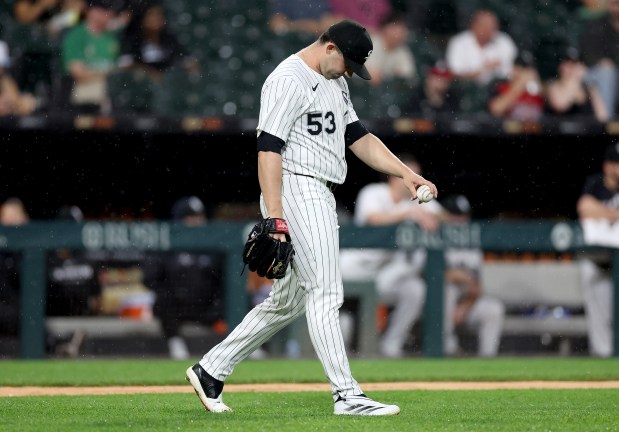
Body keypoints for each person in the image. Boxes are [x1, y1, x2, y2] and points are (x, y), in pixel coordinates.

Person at [185, 19, 437, 416]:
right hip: (296, 186)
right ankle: (347, 394)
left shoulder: (336, 81)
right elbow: (268, 149)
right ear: (330, 47)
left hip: (318, 189)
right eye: (349, 61)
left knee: (287, 302)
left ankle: (211, 369)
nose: (351, 71)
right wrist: (276, 217)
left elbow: (359, 138)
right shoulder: (287, 78)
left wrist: (405, 173)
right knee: (327, 291)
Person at [339, 153, 443, 358]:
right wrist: (409, 214)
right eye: (411, 175)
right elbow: (373, 219)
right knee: (342, 321)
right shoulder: (374, 192)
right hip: (355, 266)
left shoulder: (415, 201)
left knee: (415, 290)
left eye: (418, 175)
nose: (415, 180)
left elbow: (448, 216)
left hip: (385, 271)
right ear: (395, 176)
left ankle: (391, 345)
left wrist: (431, 213)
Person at [141, 196, 227, 360]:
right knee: (163, 300)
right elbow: (149, 279)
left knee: (234, 301)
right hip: (177, 306)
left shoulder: (212, 246)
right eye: (191, 218)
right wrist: (177, 290)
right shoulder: (166, 246)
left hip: (207, 306)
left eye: (199, 218)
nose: (196, 222)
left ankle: (246, 346)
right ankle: (175, 342)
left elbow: (224, 281)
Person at [440, 194, 505, 357]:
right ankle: (447, 349)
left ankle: (487, 361)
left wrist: (464, 307)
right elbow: (432, 275)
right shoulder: (434, 234)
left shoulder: (471, 245)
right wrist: (461, 277)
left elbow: (477, 286)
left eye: (464, 216)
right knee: (447, 291)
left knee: (493, 309)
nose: (461, 220)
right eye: (456, 215)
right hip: (435, 309)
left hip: (464, 305)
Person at [575, 141, 618, 358]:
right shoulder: (594, 184)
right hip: (599, 260)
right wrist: (614, 213)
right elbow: (584, 208)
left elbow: (593, 209)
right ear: (607, 166)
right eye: (615, 163)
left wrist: (602, 212)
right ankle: (602, 353)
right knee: (591, 278)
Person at [60, 0, 120, 113]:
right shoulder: (76, 35)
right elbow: (78, 73)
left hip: (109, 89)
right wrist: (106, 76)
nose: (109, 14)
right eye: (103, 11)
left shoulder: (112, 38)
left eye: (109, 11)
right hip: (81, 88)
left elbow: (118, 68)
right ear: (91, 12)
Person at [117, 3, 199, 82]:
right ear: (143, 19)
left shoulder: (169, 38)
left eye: (159, 15)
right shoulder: (134, 39)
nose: (157, 18)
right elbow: (124, 65)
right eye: (152, 15)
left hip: (168, 84)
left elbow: (186, 60)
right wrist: (148, 71)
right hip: (142, 87)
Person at [445, 9, 518, 87]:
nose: (491, 30)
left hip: (500, 88)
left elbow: (515, 70)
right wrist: (485, 69)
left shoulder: (504, 41)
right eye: (486, 26)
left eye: (493, 26)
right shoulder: (459, 42)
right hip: (467, 89)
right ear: (475, 26)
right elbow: (455, 75)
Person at [578, 0, 619, 120]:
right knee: (607, 73)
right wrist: (602, 62)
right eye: (615, 3)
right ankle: (608, 127)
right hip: (595, 75)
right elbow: (587, 54)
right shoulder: (598, 25)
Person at [544, 47, 608, 122]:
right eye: (568, 63)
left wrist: (591, 86)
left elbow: (603, 117)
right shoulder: (553, 85)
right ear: (561, 66)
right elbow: (560, 105)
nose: (572, 68)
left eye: (575, 64)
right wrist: (575, 80)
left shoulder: (588, 88)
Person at [487, 51, 545, 122]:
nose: (524, 74)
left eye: (527, 70)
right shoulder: (502, 86)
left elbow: (556, 104)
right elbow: (496, 109)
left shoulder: (538, 89)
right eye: (520, 69)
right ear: (513, 69)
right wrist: (519, 86)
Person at [363, 12, 416, 87]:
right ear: (385, 29)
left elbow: (409, 77)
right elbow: (372, 76)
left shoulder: (402, 50)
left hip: (385, 91)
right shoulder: (372, 42)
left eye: (402, 29)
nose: (399, 33)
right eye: (395, 28)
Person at [0, 41, 38, 116]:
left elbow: (18, 103)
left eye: (3, 66)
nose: (2, 69)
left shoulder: (5, 80)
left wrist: (24, 103)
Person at [268, 0, 338, 36]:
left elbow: (328, 22)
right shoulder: (284, 2)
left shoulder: (321, 2)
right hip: (290, 43)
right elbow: (277, 26)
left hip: (315, 42)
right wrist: (305, 26)